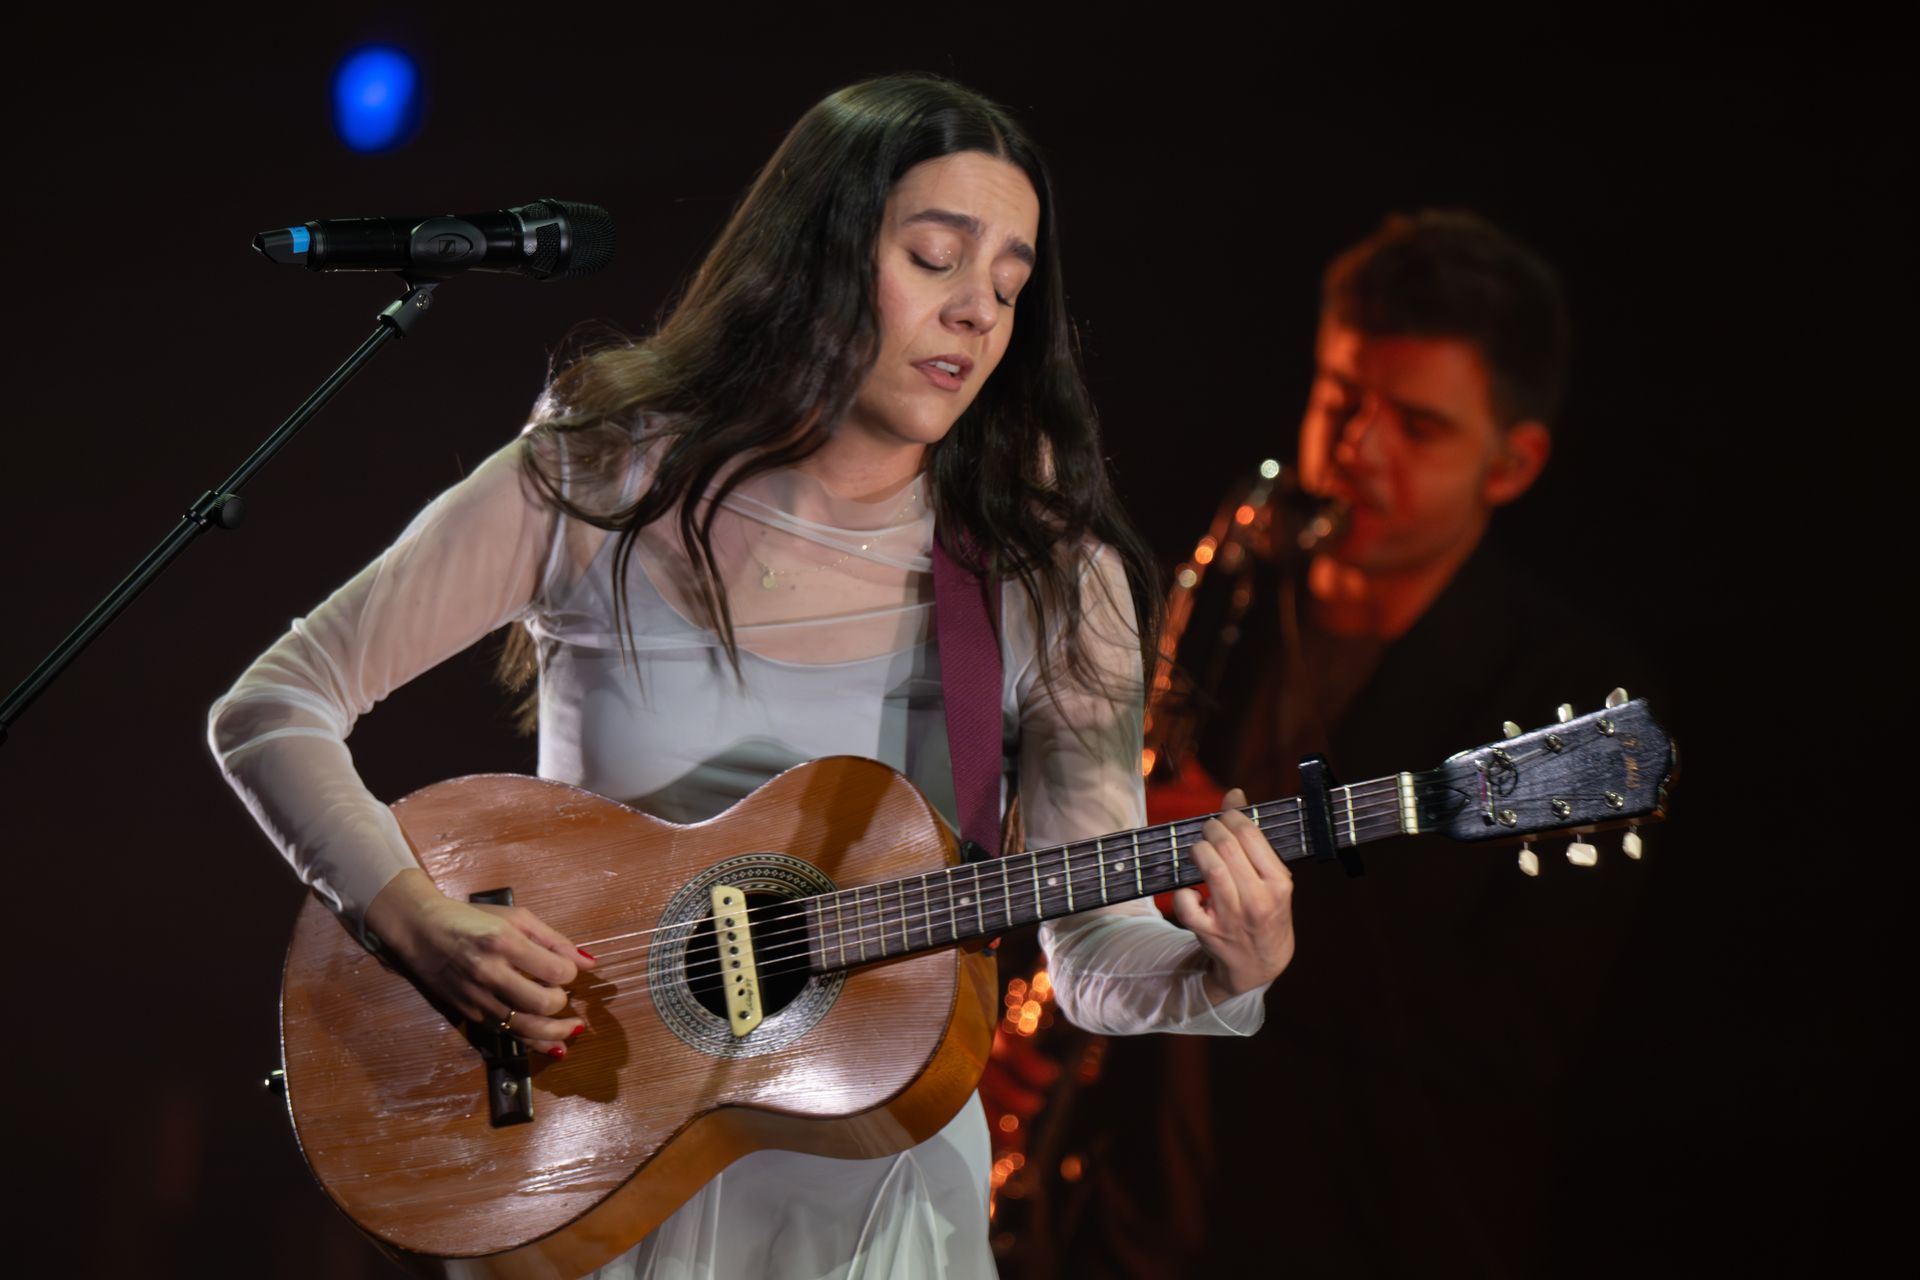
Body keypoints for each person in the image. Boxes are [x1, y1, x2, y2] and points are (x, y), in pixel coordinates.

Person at [207, 74, 1296, 1280]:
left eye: (1008, 283)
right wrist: (414, 916)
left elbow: (1089, 950)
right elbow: (272, 706)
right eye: (936, 257)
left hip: (879, 1224)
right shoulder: (600, 480)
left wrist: (1218, 970)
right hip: (584, 1181)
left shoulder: (1046, 575)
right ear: (818, 251)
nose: (976, 313)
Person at [1037, 211, 1650, 1278]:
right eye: (1340, 398)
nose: (1356, 450)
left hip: (1352, 1222)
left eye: (1418, 425)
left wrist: (1244, 888)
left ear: (1513, 463)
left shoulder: (1567, 693)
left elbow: (1518, 1031)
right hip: (1121, 1214)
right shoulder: (1230, 592)